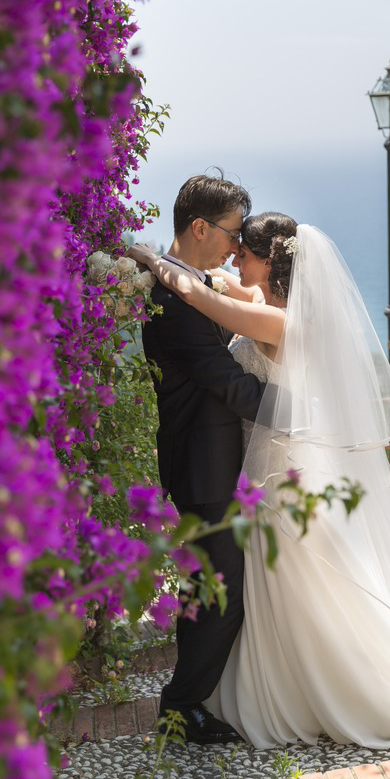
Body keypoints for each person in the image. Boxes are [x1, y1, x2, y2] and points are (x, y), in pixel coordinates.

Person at [130, 213, 390, 750]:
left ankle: (320, 691)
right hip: (268, 472)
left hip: (277, 480)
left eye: (244, 252)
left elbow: (201, 299)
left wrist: (152, 259)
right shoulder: (266, 306)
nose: (235, 259)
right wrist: (205, 273)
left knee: (291, 587)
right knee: (275, 588)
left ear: (271, 261)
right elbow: (222, 287)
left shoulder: (280, 323)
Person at [137, 174, 269, 745]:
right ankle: (183, 706)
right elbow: (231, 385)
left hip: (208, 461)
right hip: (203, 466)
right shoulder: (174, 301)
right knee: (224, 596)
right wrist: (311, 410)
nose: (235, 248)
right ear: (199, 227)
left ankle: (183, 702)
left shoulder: (187, 282)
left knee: (203, 589)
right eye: (232, 233)